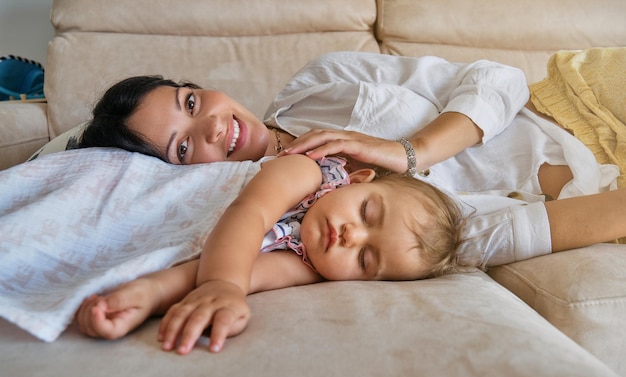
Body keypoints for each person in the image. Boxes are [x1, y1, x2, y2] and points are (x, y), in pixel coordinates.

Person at [78, 51, 620, 268]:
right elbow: (485, 239)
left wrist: (409, 151)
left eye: (191, 103)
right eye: (183, 146)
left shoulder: (319, 84)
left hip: (578, 102)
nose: (213, 127)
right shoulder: (306, 218)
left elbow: (495, 78)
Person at [75, 153, 467, 353]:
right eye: (366, 211)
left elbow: (242, 273)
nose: (351, 235)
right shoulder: (306, 173)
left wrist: (147, 296)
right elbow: (248, 215)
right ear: (358, 180)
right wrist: (221, 284)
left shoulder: (310, 265)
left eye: (365, 259)